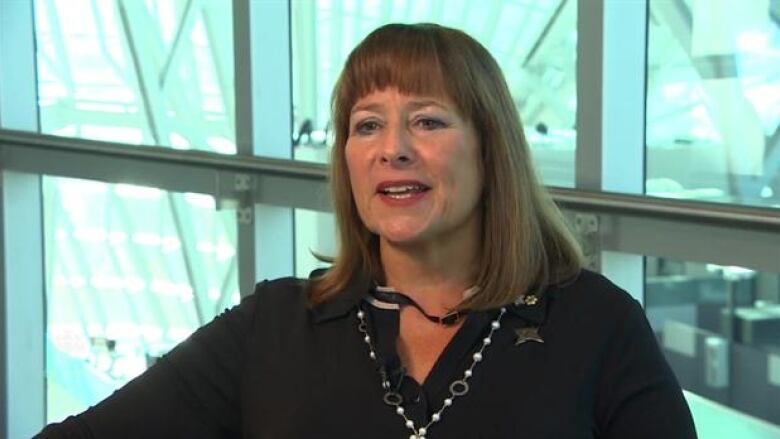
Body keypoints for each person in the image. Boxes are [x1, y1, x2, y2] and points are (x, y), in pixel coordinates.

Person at [36, 23, 696, 438]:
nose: (393, 149)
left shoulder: (595, 323)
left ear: (491, 150)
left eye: (429, 121)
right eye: (367, 124)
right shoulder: (275, 324)